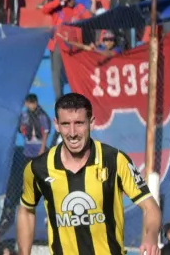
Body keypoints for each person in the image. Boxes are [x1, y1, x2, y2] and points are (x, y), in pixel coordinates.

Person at [16, 92, 161, 255]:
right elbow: (26, 210)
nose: (72, 133)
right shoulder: (38, 168)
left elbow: (150, 207)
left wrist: (150, 237)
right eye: (65, 124)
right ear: (56, 125)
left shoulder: (115, 160)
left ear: (91, 123)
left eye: (79, 123)